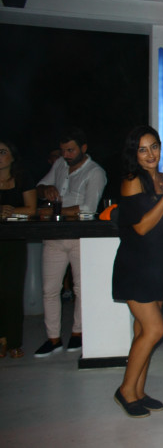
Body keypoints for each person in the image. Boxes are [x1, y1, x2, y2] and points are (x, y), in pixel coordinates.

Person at [112, 125, 163, 418]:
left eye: (154, 146)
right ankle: (126, 390)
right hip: (136, 264)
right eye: (143, 149)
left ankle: (138, 391)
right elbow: (140, 227)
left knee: (143, 331)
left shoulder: (162, 179)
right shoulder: (132, 181)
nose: (150, 154)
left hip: (158, 261)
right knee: (155, 329)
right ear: (134, 154)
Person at [34, 128, 106, 357]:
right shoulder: (59, 164)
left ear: (83, 148)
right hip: (54, 236)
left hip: (79, 237)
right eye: (63, 150)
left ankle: (78, 333)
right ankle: (53, 338)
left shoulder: (95, 172)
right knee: (49, 289)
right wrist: (46, 189)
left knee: (80, 289)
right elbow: (39, 186)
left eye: (70, 150)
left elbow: (89, 209)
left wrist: (56, 211)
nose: (65, 155)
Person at [0, 139, 37, 359]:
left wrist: (11, 211)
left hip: (14, 241)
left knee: (12, 291)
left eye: (2, 152)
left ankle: (14, 341)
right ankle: (1, 339)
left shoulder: (23, 178)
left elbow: (31, 208)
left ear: (12, 156)